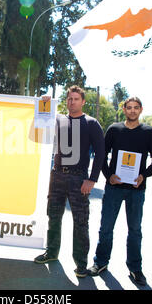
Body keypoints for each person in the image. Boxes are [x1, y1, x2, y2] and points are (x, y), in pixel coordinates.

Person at [88, 96, 152, 286]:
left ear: (141, 109)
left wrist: (143, 175)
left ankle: (135, 268)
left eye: (136, 108)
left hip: (136, 190)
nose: (132, 111)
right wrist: (108, 175)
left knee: (135, 230)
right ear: (123, 109)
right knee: (106, 227)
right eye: (129, 107)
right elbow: (101, 155)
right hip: (114, 187)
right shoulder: (114, 129)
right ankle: (100, 262)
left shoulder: (148, 132)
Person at [34, 86, 105, 278]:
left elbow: (100, 154)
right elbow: (38, 132)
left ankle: (81, 264)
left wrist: (92, 180)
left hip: (79, 177)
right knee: (53, 216)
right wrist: (44, 105)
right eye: (69, 99)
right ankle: (51, 252)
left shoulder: (91, 123)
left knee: (81, 221)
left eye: (75, 99)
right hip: (57, 175)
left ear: (82, 101)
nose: (71, 102)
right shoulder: (57, 119)